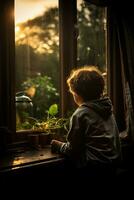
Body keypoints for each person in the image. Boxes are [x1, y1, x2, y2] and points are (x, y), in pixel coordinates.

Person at [51, 66, 121, 179]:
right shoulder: (107, 109)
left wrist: (57, 145)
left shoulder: (81, 113)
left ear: (77, 94)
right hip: (112, 167)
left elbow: (72, 150)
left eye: (73, 93)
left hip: (93, 169)